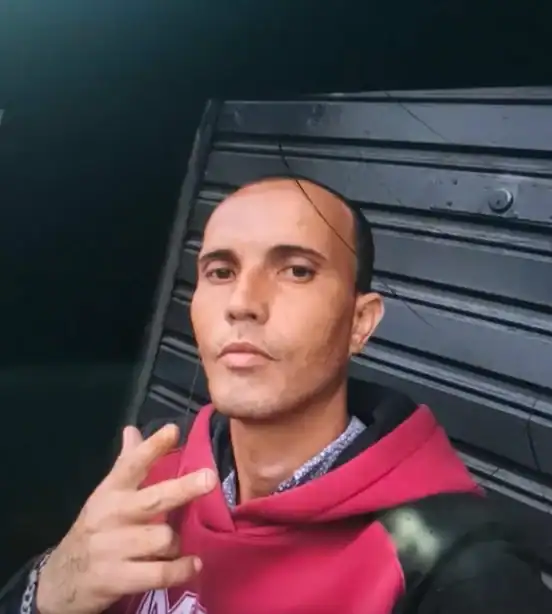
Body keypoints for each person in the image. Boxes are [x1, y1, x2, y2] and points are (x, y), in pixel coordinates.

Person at [2, 176, 551, 614]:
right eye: (220, 271)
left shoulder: (459, 569)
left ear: (360, 323)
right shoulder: (154, 474)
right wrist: (46, 590)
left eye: (296, 270)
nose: (242, 302)